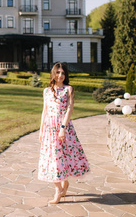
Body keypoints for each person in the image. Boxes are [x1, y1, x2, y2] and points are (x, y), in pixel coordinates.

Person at [38, 62, 90, 204]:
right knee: (51, 158)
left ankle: (60, 189)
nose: (60, 75)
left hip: (63, 128)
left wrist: (62, 128)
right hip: (49, 128)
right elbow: (45, 111)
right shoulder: (46, 91)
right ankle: (60, 186)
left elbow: (69, 110)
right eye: (58, 72)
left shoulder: (68, 90)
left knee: (63, 157)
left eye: (63, 73)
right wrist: (41, 129)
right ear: (53, 74)